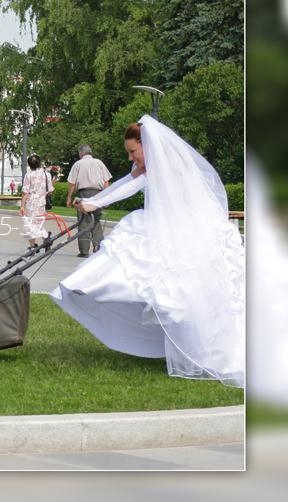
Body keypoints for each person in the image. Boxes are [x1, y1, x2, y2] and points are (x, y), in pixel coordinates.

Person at [50, 115, 244, 388]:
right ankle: (84, 287)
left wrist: (95, 204)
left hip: (184, 229)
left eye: (133, 152)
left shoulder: (166, 165)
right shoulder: (150, 165)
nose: (131, 158)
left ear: (147, 145)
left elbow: (132, 186)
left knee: (177, 290)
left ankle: (203, 345)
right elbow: (124, 182)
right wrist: (94, 200)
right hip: (171, 225)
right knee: (155, 279)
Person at [65, 144, 111, 257]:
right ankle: (98, 247)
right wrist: (106, 198)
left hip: (84, 194)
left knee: (84, 222)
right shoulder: (99, 163)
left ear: (81, 153)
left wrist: (69, 197)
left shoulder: (78, 164)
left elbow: (72, 183)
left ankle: (84, 251)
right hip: (98, 194)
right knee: (96, 221)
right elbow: (106, 181)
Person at [18, 154, 53, 249]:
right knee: (38, 223)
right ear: (39, 163)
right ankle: (45, 238)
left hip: (31, 203)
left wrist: (22, 206)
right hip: (42, 203)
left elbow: (25, 192)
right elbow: (50, 190)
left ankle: (34, 245)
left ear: (29, 165)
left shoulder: (29, 175)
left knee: (29, 223)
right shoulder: (47, 174)